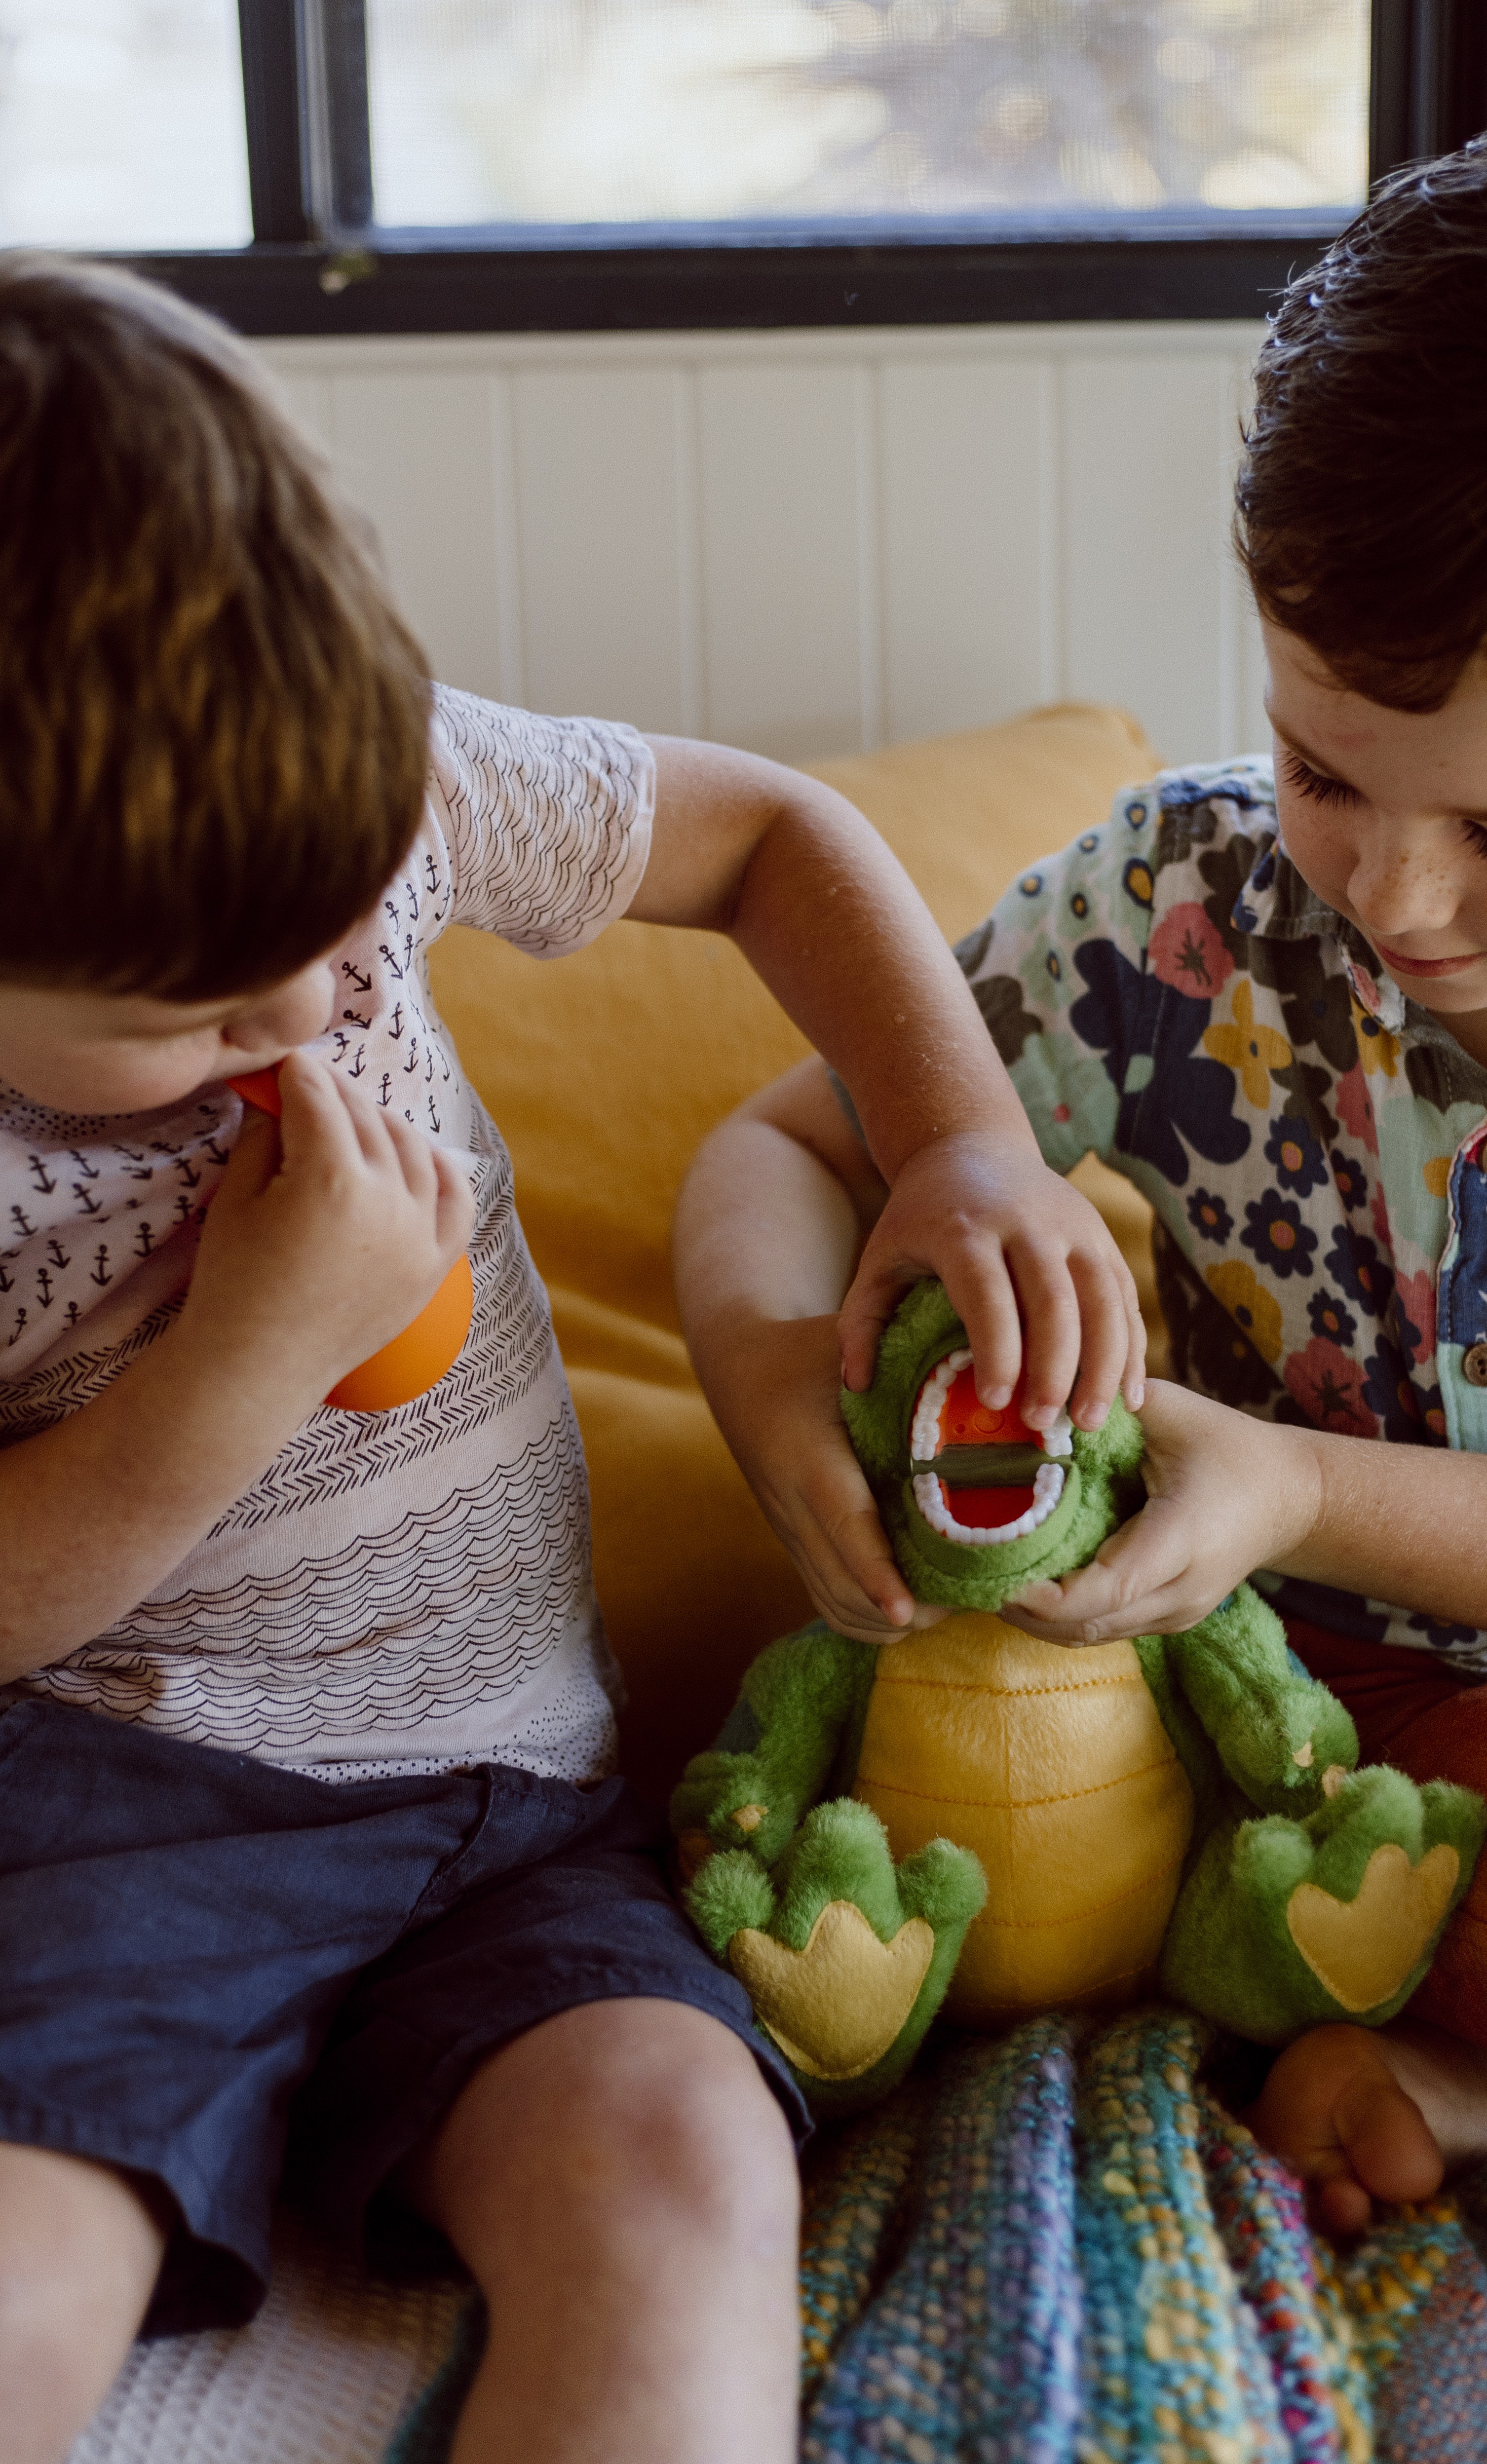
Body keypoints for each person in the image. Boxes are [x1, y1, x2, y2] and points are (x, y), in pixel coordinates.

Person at [0, 253, 1139, 2464]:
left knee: (693, 2177)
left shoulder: (376, 791)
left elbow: (776, 840)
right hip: (114, 1814)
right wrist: (246, 1357)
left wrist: (962, 1142)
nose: (322, 1010)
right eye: (208, 1014)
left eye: (346, 937)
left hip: (524, 1804)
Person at [674, 122, 1487, 2239]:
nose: (1391, 890)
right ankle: (1483, 2054)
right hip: (1163, 1708)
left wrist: (1301, 1480)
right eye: (1324, 766)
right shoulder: (1177, 906)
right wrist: (776, 1384)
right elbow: (785, 1141)